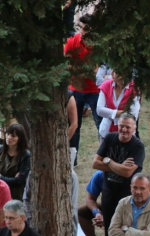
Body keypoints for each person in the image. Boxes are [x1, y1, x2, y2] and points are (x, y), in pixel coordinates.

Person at [92, 112, 145, 236]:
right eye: (121, 125)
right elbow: (95, 163)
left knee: (127, 230)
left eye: (128, 127)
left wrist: (107, 161)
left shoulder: (138, 146)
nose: (124, 129)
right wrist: (117, 166)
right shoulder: (109, 138)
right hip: (108, 192)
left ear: (134, 128)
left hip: (127, 196)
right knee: (110, 230)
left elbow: (128, 171)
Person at [65, 15, 102, 153]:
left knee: (101, 125)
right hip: (75, 90)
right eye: (81, 28)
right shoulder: (72, 41)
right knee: (75, 126)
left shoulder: (100, 45)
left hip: (96, 91)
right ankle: (72, 159)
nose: (83, 32)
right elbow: (67, 65)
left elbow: (96, 70)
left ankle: (105, 154)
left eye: (86, 29)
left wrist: (78, 70)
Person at [97, 70, 140, 139]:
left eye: (115, 71)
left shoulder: (134, 89)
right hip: (106, 133)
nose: (111, 73)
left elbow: (133, 115)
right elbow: (99, 110)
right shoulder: (106, 85)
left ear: (124, 74)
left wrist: (110, 113)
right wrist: (120, 113)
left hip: (126, 134)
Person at [0, 123, 30, 200]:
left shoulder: (25, 155)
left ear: (20, 138)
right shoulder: (1, 150)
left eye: (13, 136)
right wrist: (11, 179)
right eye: (8, 134)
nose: (9, 137)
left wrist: (0, 177)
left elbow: (19, 181)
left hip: (14, 196)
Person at [77, 170, 104, 236]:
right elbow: (90, 199)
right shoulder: (100, 174)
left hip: (124, 210)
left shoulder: (128, 174)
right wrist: (97, 213)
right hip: (107, 206)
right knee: (82, 212)